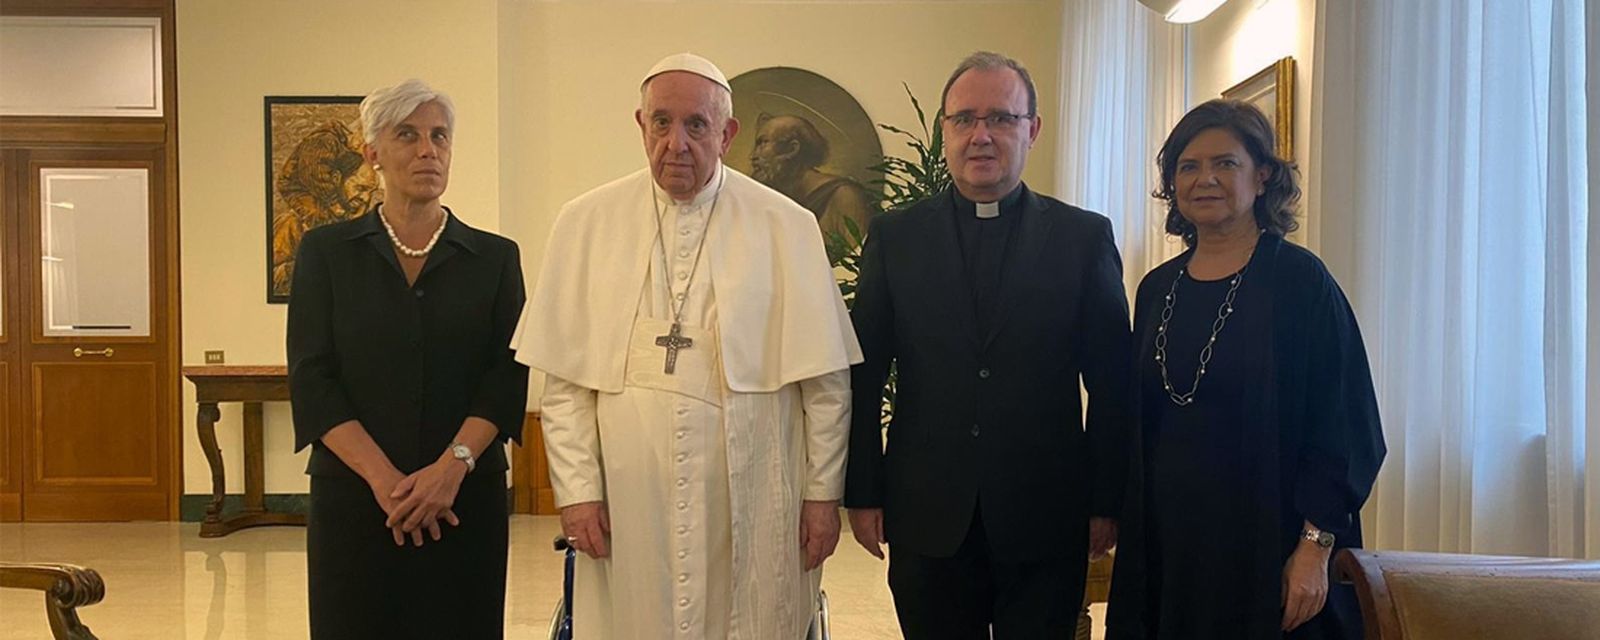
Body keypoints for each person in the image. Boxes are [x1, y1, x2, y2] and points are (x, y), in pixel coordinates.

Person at [512, 53, 862, 639]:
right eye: (662, 122)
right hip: (629, 501)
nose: (676, 143)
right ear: (640, 124)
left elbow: (825, 385)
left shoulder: (787, 225)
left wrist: (822, 497)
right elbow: (567, 386)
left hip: (755, 496)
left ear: (726, 134)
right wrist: (576, 493)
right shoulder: (585, 223)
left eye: (696, 125)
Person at [843, 51, 1133, 638]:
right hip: (927, 511)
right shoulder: (896, 236)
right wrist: (862, 492)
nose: (981, 135)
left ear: (1033, 129)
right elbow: (865, 372)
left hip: (1046, 512)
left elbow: (1112, 383)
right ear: (944, 131)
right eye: (964, 119)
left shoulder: (1083, 238)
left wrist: (1106, 501)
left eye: (1001, 118)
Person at [1105, 99, 1386, 640]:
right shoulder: (1157, 288)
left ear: (1261, 178)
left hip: (1269, 544)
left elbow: (1348, 428)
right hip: (1170, 549)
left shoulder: (1300, 281)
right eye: (1188, 167)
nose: (1204, 179)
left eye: (1224, 164)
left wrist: (1314, 549)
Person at [286, 79, 529, 639]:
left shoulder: (494, 258)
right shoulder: (326, 253)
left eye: (440, 136)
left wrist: (450, 469)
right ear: (372, 152)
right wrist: (385, 481)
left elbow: (507, 373)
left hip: (464, 499)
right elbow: (312, 376)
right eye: (408, 135)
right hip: (355, 499)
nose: (429, 150)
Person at [747, 112, 876, 261]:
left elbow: (857, 263)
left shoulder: (845, 197)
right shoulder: (774, 201)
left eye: (762, 143)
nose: (753, 156)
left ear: (792, 149)